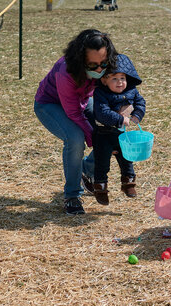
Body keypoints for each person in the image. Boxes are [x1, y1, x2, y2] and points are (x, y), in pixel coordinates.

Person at [34, 29, 118, 215]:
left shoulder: (107, 66)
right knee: (76, 139)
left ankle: (86, 170)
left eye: (103, 63)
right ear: (80, 60)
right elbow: (73, 112)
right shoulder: (66, 72)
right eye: (92, 65)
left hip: (80, 100)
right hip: (50, 105)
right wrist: (95, 139)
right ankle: (72, 196)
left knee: (112, 128)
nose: (99, 69)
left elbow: (120, 89)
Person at [91, 54, 146, 205]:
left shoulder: (131, 91)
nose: (120, 82)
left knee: (127, 158)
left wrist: (137, 115)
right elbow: (102, 113)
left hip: (121, 133)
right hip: (103, 134)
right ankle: (100, 187)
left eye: (122, 78)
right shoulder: (100, 93)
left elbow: (140, 102)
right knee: (102, 163)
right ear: (104, 80)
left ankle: (128, 183)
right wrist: (121, 119)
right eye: (114, 78)